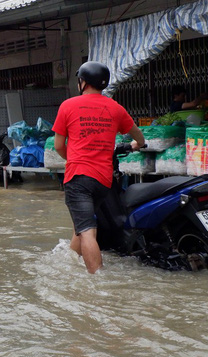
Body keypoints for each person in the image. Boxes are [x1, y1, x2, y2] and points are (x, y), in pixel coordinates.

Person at [53, 61, 146, 275]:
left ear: (83, 82)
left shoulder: (68, 106)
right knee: (82, 225)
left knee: (87, 231)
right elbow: (138, 136)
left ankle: (98, 280)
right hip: (104, 180)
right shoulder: (115, 107)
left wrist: (73, 160)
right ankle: (70, 263)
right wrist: (137, 145)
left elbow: (58, 145)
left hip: (78, 178)